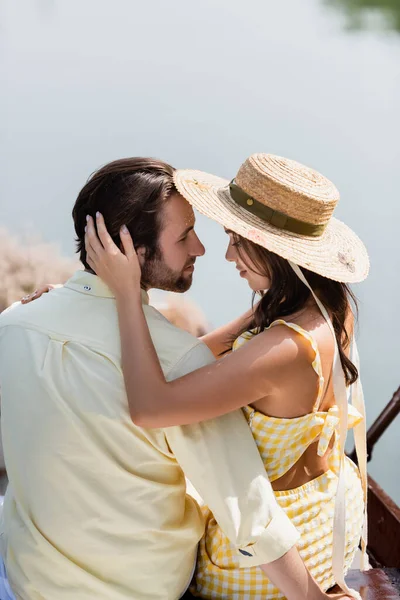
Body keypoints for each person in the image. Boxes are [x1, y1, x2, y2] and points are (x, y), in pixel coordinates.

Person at [0, 157, 337, 600]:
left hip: (28, 582)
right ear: (131, 253)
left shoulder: (14, 324)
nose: (200, 248)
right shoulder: (179, 362)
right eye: (184, 236)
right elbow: (250, 517)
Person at [83, 153, 369, 600]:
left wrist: (123, 296)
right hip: (327, 517)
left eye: (237, 239)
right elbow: (200, 352)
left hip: (268, 562)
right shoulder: (326, 307)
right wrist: (85, 307)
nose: (227, 252)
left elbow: (150, 407)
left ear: (274, 250)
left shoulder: (284, 349)